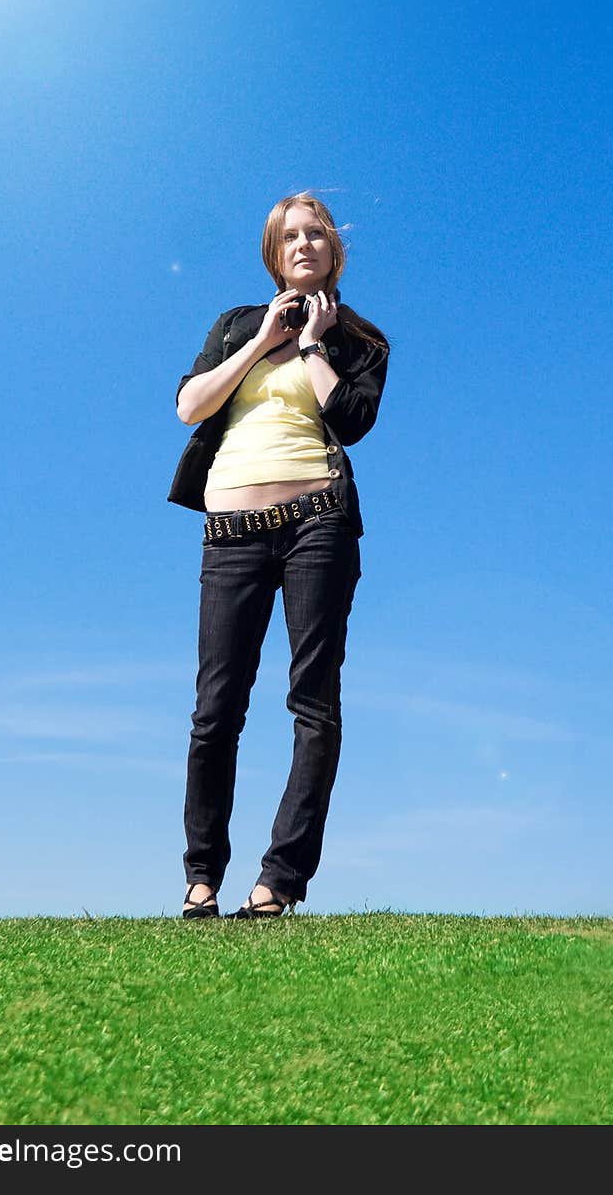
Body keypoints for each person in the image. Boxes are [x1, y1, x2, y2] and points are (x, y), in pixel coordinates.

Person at [168, 191, 390, 919]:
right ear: (274, 254)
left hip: (316, 525)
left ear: (334, 251)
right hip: (230, 533)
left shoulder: (362, 340)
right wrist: (263, 339)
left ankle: (278, 883)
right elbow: (191, 405)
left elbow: (351, 421)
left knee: (312, 703)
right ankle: (201, 878)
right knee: (215, 709)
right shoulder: (237, 324)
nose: (302, 245)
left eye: (315, 234)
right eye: (289, 236)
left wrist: (316, 343)